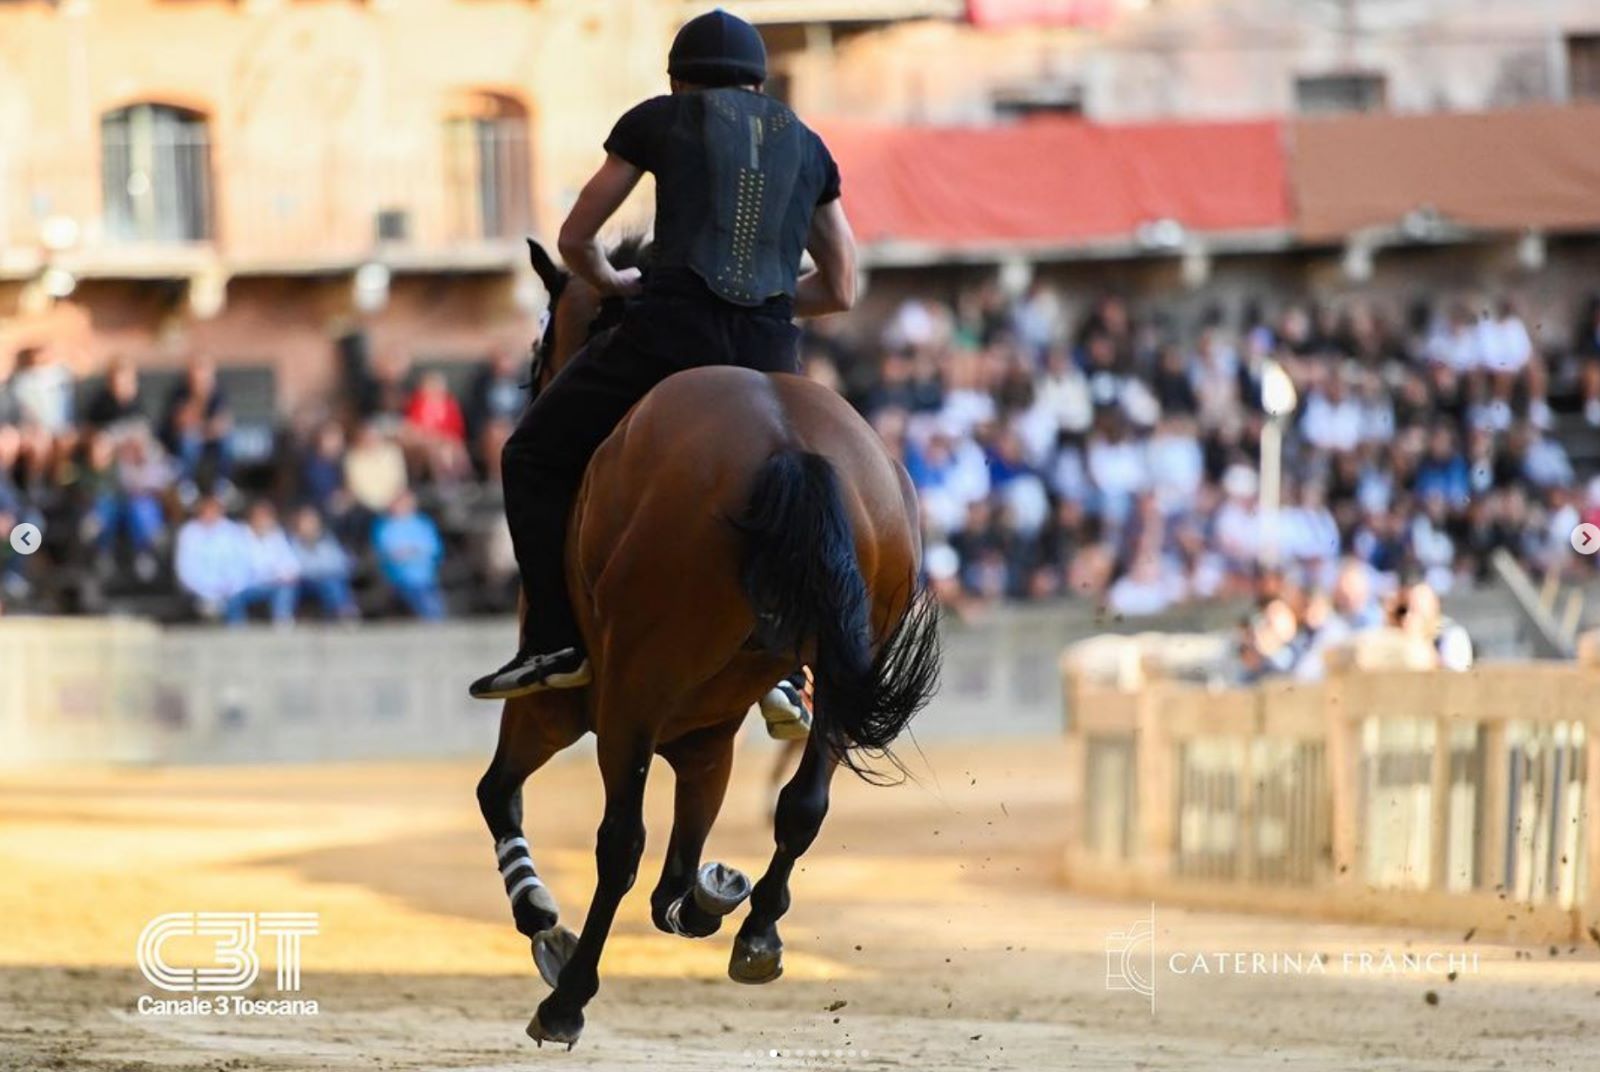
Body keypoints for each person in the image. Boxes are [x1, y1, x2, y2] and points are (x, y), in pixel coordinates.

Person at [468, 9, 856, 745]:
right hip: (774, 354)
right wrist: (773, 300)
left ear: (679, 81)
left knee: (532, 454)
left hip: (673, 337)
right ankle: (790, 668)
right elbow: (842, 287)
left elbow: (574, 240)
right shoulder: (808, 145)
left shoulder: (660, 119)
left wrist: (614, 285)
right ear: (759, 82)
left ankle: (555, 639)